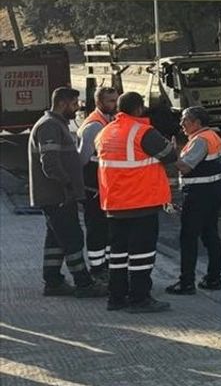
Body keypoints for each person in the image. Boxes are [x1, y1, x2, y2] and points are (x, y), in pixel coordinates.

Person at [97, 91, 179, 313]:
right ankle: (139, 298)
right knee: (141, 254)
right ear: (138, 109)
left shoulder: (105, 132)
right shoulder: (142, 131)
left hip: (114, 204)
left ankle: (116, 298)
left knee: (118, 254)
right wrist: (172, 146)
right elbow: (169, 155)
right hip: (141, 203)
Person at [28, 86, 108, 299]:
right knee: (73, 238)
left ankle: (53, 281)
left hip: (59, 195)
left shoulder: (57, 125)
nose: (78, 107)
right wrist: (68, 185)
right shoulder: (49, 127)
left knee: (56, 239)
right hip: (58, 195)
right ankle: (84, 283)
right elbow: (50, 164)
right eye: (74, 104)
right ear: (62, 103)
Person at [166, 107, 221, 295]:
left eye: (185, 120)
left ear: (197, 123)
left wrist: (169, 155)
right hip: (215, 192)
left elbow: (185, 167)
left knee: (188, 237)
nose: (181, 124)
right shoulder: (212, 136)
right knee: (210, 234)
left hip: (198, 195)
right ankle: (213, 278)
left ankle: (186, 282)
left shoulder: (200, 141)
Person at [77, 86, 118, 278]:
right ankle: (97, 268)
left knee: (107, 229)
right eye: (111, 101)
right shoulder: (94, 126)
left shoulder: (108, 120)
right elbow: (83, 159)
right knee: (96, 229)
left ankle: (106, 265)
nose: (115, 104)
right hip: (93, 187)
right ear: (99, 102)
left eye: (116, 100)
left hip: (103, 187)